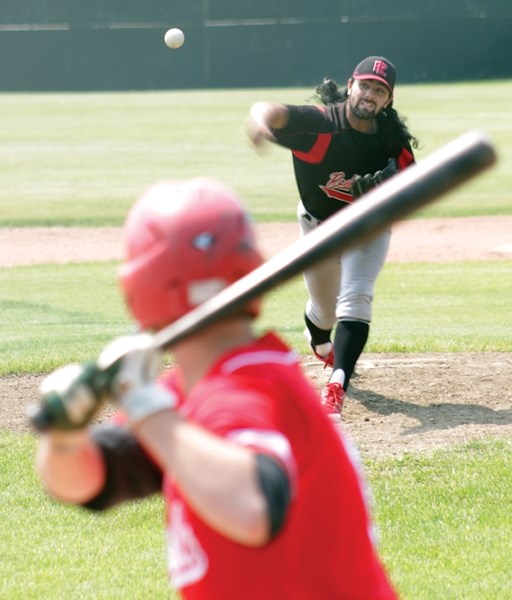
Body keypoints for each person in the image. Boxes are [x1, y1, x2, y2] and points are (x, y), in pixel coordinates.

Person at [33, 177, 399, 599]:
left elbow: (254, 507)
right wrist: (64, 432)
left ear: (142, 284)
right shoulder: (203, 389)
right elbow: (92, 480)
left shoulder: (242, 390)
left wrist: (142, 402)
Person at [246, 56, 419, 422]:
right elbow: (270, 110)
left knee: (356, 295)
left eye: (380, 91)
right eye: (366, 85)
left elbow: (414, 192)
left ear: (388, 101)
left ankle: (336, 385)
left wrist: (387, 194)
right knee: (323, 310)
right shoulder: (321, 126)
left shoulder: (392, 144)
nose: (370, 95)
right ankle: (322, 344)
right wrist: (260, 124)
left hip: (366, 227)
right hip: (318, 228)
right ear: (351, 85)